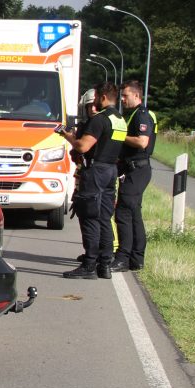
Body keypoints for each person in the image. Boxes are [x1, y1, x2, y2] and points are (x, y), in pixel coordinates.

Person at [58, 82, 126, 279]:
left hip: (95, 171)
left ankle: (89, 265)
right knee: (104, 217)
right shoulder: (119, 120)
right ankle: (104, 265)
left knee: (89, 217)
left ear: (103, 97)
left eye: (96, 97)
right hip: (111, 169)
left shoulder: (100, 120)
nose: (94, 102)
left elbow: (82, 147)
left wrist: (67, 136)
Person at [113, 81, 156, 272]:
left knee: (123, 213)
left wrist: (118, 136)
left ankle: (123, 258)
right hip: (133, 170)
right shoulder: (134, 114)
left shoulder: (142, 115)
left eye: (125, 96)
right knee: (134, 214)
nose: (122, 99)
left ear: (137, 96)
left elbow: (142, 141)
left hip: (137, 170)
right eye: (121, 96)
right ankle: (136, 259)